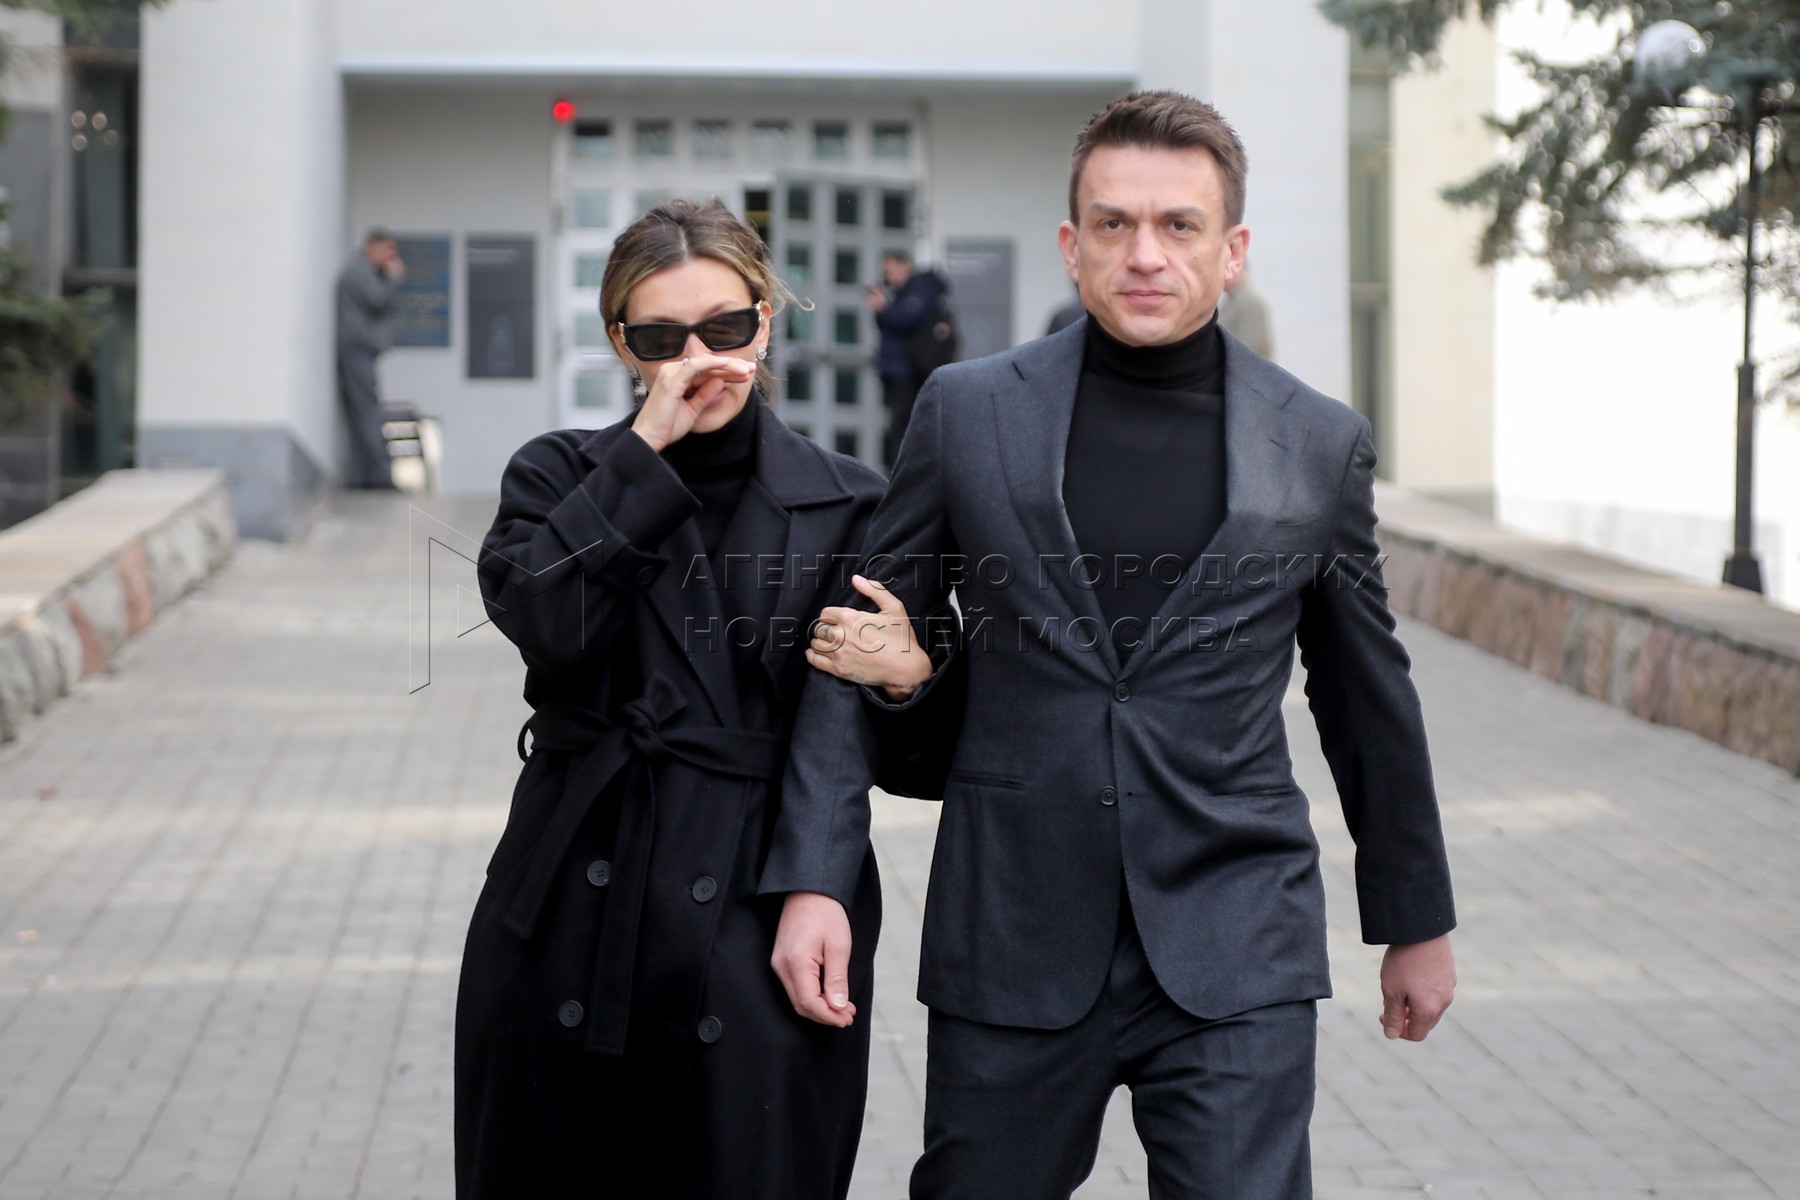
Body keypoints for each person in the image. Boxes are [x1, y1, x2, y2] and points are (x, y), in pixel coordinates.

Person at [764, 91, 1458, 1198]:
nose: (1145, 253)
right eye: (1114, 223)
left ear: (1232, 250)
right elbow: (856, 646)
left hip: (1238, 933)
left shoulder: (1318, 443)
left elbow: (1365, 690)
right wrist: (814, 881)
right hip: (1014, 928)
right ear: (1071, 243)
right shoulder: (968, 412)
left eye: (1179, 225)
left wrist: (1414, 919)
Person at [454, 198, 934, 1199]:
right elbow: (549, 626)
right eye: (661, 339)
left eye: (723, 327)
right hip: (571, 896)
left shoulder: (851, 500)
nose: (697, 361)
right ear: (620, 344)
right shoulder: (558, 475)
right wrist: (644, 452)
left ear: (765, 320)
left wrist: (910, 678)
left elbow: (889, 753)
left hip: (766, 901)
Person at [335, 229, 405, 489]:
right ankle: (379, 477)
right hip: (357, 351)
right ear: (372, 247)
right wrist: (394, 278)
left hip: (358, 351)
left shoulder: (360, 271)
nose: (391, 259)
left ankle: (361, 476)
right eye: (388, 251)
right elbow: (378, 300)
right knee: (368, 413)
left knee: (361, 413)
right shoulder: (360, 272)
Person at [868, 251, 948, 470]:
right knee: (897, 424)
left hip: (908, 371)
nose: (889, 277)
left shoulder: (920, 289)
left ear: (905, 266)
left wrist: (883, 309)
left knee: (904, 425)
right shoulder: (902, 293)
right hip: (899, 370)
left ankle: (901, 471)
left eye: (891, 271)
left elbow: (906, 319)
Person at [1221, 257, 1276, 360]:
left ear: (1242, 269)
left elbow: (1251, 346)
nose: (1224, 275)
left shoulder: (1251, 302)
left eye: (1229, 268)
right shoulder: (1229, 302)